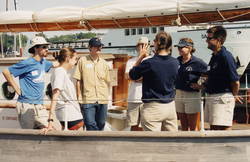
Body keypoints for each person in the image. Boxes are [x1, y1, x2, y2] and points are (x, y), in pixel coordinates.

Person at [2, 36, 59, 129]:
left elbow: (57, 64)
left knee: (48, 130)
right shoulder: (27, 63)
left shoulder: (44, 62)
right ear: (36, 48)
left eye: (47, 47)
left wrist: (64, 57)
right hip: (26, 104)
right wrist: (16, 89)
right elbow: (6, 72)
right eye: (44, 47)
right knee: (28, 134)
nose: (47, 49)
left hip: (39, 105)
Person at [129, 31, 179, 131]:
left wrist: (141, 56)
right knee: (172, 142)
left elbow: (132, 74)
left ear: (156, 43)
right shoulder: (175, 62)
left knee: (152, 144)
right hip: (170, 106)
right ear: (170, 45)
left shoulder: (149, 63)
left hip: (153, 107)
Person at [204, 26, 243, 130]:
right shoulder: (214, 57)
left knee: (224, 130)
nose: (206, 40)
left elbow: (235, 81)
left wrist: (233, 97)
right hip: (213, 97)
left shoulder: (226, 56)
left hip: (221, 97)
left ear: (218, 40)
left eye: (209, 38)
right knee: (213, 129)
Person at [40, 47, 84, 135]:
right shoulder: (60, 72)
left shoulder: (61, 72)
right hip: (71, 116)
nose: (76, 62)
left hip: (69, 115)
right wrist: (50, 120)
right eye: (75, 59)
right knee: (79, 145)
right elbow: (55, 95)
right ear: (68, 59)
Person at [73, 37, 110, 131]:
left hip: (102, 98)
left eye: (100, 46)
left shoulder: (104, 63)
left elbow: (106, 82)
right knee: (89, 123)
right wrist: (78, 99)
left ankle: (97, 142)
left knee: (101, 123)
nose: (99, 48)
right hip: (88, 98)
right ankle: (97, 140)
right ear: (90, 47)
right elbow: (78, 81)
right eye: (96, 46)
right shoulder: (82, 61)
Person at [174, 38, 207, 131]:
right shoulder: (177, 61)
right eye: (178, 47)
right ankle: (184, 144)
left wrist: (202, 85)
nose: (179, 49)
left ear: (189, 48)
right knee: (183, 125)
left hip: (191, 94)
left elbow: (211, 74)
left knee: (192, 126)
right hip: (179, 93)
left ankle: (194, 144)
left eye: (181, 47)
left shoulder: (198, 62)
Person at [125, 37, 151, 131]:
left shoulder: (152, 61)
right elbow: (128, 76)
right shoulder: (130, 61)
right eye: (142, 45)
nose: (144, 47)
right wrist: (145, 78)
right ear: (137, 47)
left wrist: (135, 77)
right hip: (133, 98)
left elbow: (132, 76)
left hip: (148, 99)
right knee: (133, 125)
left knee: (148, 125)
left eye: (146, 45)